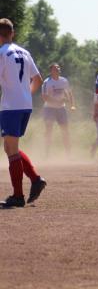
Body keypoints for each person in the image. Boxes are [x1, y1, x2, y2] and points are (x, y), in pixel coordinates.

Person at [0, 18, 47, 208]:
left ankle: (18, 196)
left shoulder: (2, 53)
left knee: (11, 148)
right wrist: (25, 93)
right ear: (12, 33)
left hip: (11, 106)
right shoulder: (24, 52)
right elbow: (38, 79)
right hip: (25, 105)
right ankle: (35, 180)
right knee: (11, 147)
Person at [42, 63, 76, 157]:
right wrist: (57, 101)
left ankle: (68, 154)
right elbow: (44, 97)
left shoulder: (64, 81)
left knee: (65, 131)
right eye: (55, 68)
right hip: (49, 108)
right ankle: (46, 153)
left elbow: (69, 93)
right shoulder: (47, 82)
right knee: (49, 130)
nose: (58, 69)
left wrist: (72, 105)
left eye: (58, 68)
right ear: (51, 71)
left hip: (61, 108)